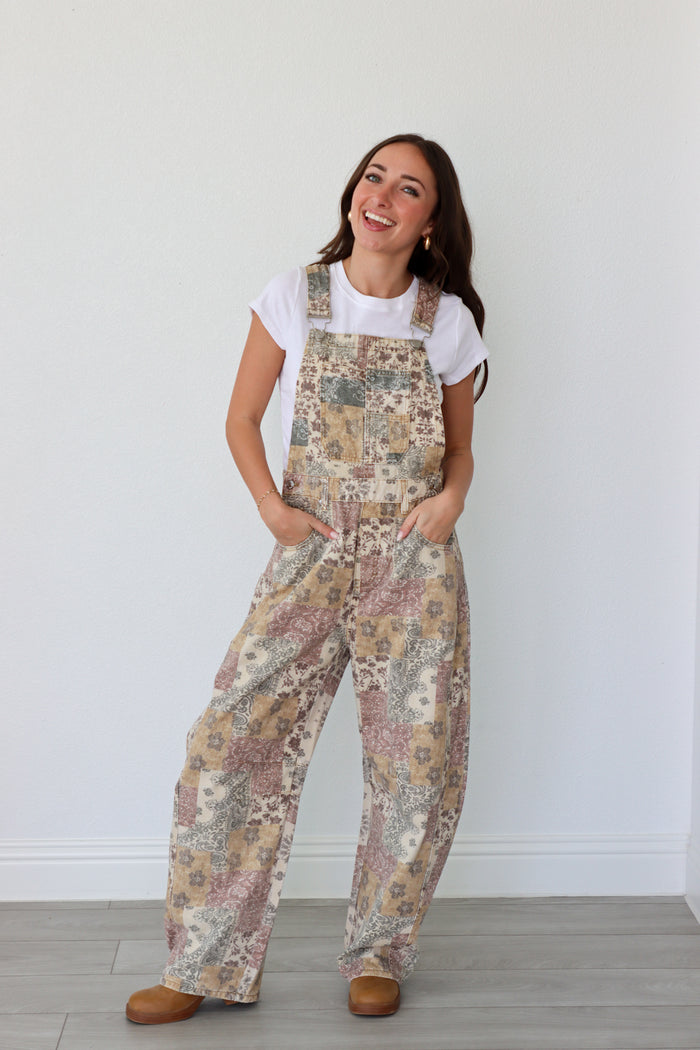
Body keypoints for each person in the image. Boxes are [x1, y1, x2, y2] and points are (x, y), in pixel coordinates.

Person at [126, 133, 489, 1025]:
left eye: (409, 189)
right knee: (230, 742)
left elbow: (463, 452)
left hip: (413, 562)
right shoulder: (295, 296)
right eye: (375, 176)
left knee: (416, 761)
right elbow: (243, 418)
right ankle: (203, 963)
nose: (384, 196)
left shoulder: (445, 320)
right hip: (312, 550)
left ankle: (379, 951)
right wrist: (272, 511)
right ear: (353, 191)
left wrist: (450, 501)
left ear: (431, 221)